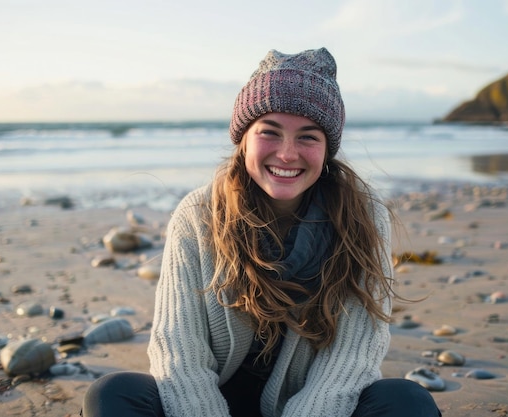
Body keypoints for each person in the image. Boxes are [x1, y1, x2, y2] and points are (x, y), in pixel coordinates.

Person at [82, 47, 441, 417]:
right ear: (244, 140)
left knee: (406, 401)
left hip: (313, 405)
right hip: (215, 403)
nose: (287, 154)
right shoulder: (197, 216)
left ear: (327, 149)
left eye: (308, 137)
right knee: (114, 394)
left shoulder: (364, 216)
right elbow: (179, 354)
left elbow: (351, 358)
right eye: (270, 132)